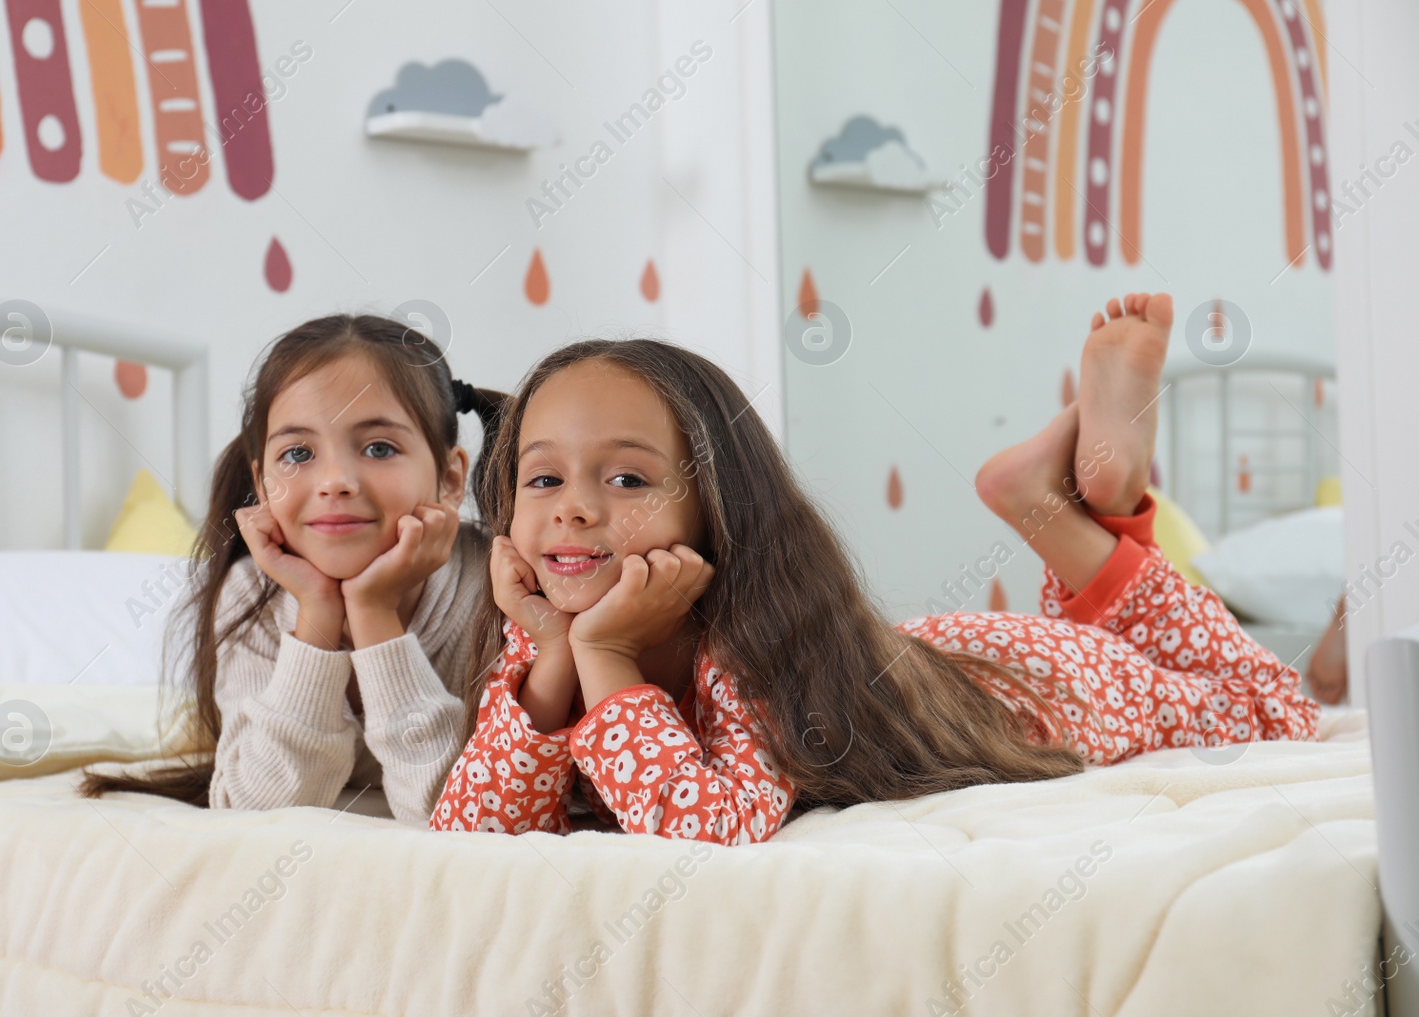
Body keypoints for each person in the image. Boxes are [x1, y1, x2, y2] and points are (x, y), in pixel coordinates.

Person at [429, 293, 1321, 845]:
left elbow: (711, 828)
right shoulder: (547, 642)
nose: (573, 508)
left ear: (719, 508)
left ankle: (1060, 509)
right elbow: (470, 829)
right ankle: (1079, 501)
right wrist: (557, 649)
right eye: (542, 477)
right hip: (916, 661)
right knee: (1166, 648)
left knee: (1276, 707)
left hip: (1028, 687)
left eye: (626, 478)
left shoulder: (749, 652)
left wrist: (608, 655)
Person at [79, 314, 506, 820]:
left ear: (450, 478)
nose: (335, 481)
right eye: (298, 453)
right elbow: (259, 807)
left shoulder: (496, 585)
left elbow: (460, 812)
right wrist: (318, 613)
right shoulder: (252, 596)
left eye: (379, 448)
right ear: (262, 486)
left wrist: (373, 615)